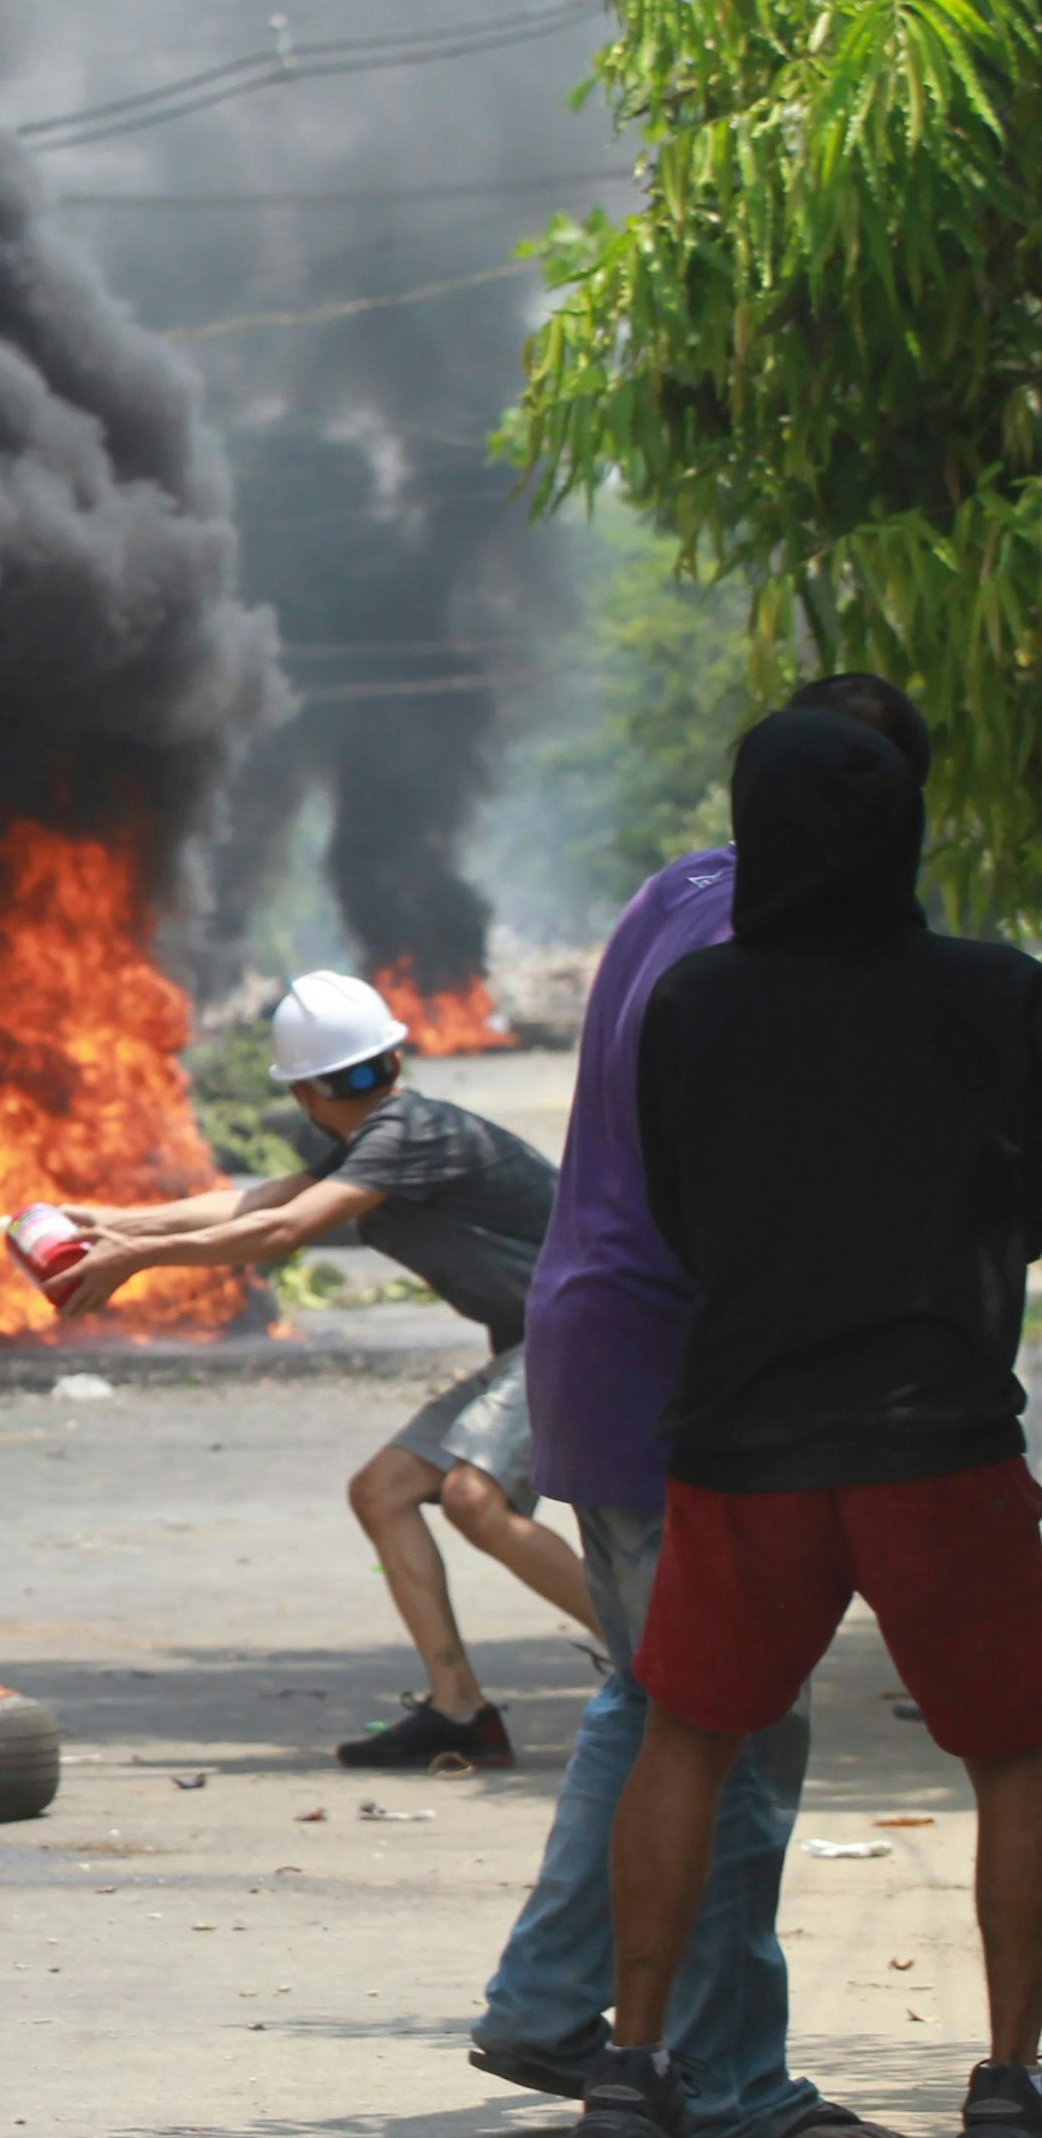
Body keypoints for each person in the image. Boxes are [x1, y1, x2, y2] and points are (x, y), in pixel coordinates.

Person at [473, 675, 934, 2137]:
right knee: (735, 1724)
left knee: (656, 1696)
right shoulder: (772, 938)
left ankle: (550, 2003)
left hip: (593, 1335)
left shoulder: (677, 889)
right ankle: (731, 2078)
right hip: (688, 1362)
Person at [575, 701, 1042, 2138]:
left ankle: (632, 2061)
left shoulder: (696, 1002)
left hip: (745, 1436)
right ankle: (1008, 2074)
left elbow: (681, 1203)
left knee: (686, 1737)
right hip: (938, 1433)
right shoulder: (997, 993)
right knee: (1017, 1754)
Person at [54, 968, 596, 1766]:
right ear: (393, 1060)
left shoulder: (406, 1135)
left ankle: (661, 1669)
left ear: (304, 1093)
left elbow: (284, 1230)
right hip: (541, 1338)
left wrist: (138, 1257)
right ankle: (460, 1713)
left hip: (576, 1332)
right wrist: (120, 1224)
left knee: (473, 1500)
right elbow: (259, 1203)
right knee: (384, 1492)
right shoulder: (384, 1137)